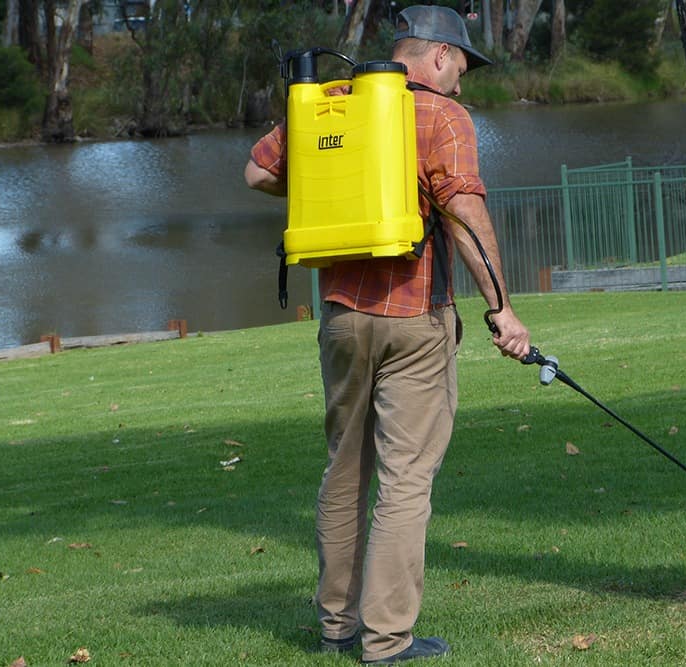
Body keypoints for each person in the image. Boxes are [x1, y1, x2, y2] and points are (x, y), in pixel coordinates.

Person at [244, 5, 530, 664]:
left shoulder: (332, 101)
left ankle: (337, 627)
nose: (462, 79)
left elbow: (257, 172)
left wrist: (332, 181)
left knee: (344, 470)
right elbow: (464, 213)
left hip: (341, 316)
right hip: (414, 319)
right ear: (438, 55)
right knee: (405, 480)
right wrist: (502, 310)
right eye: (462, 65)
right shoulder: (443, 115)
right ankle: (386, 641)